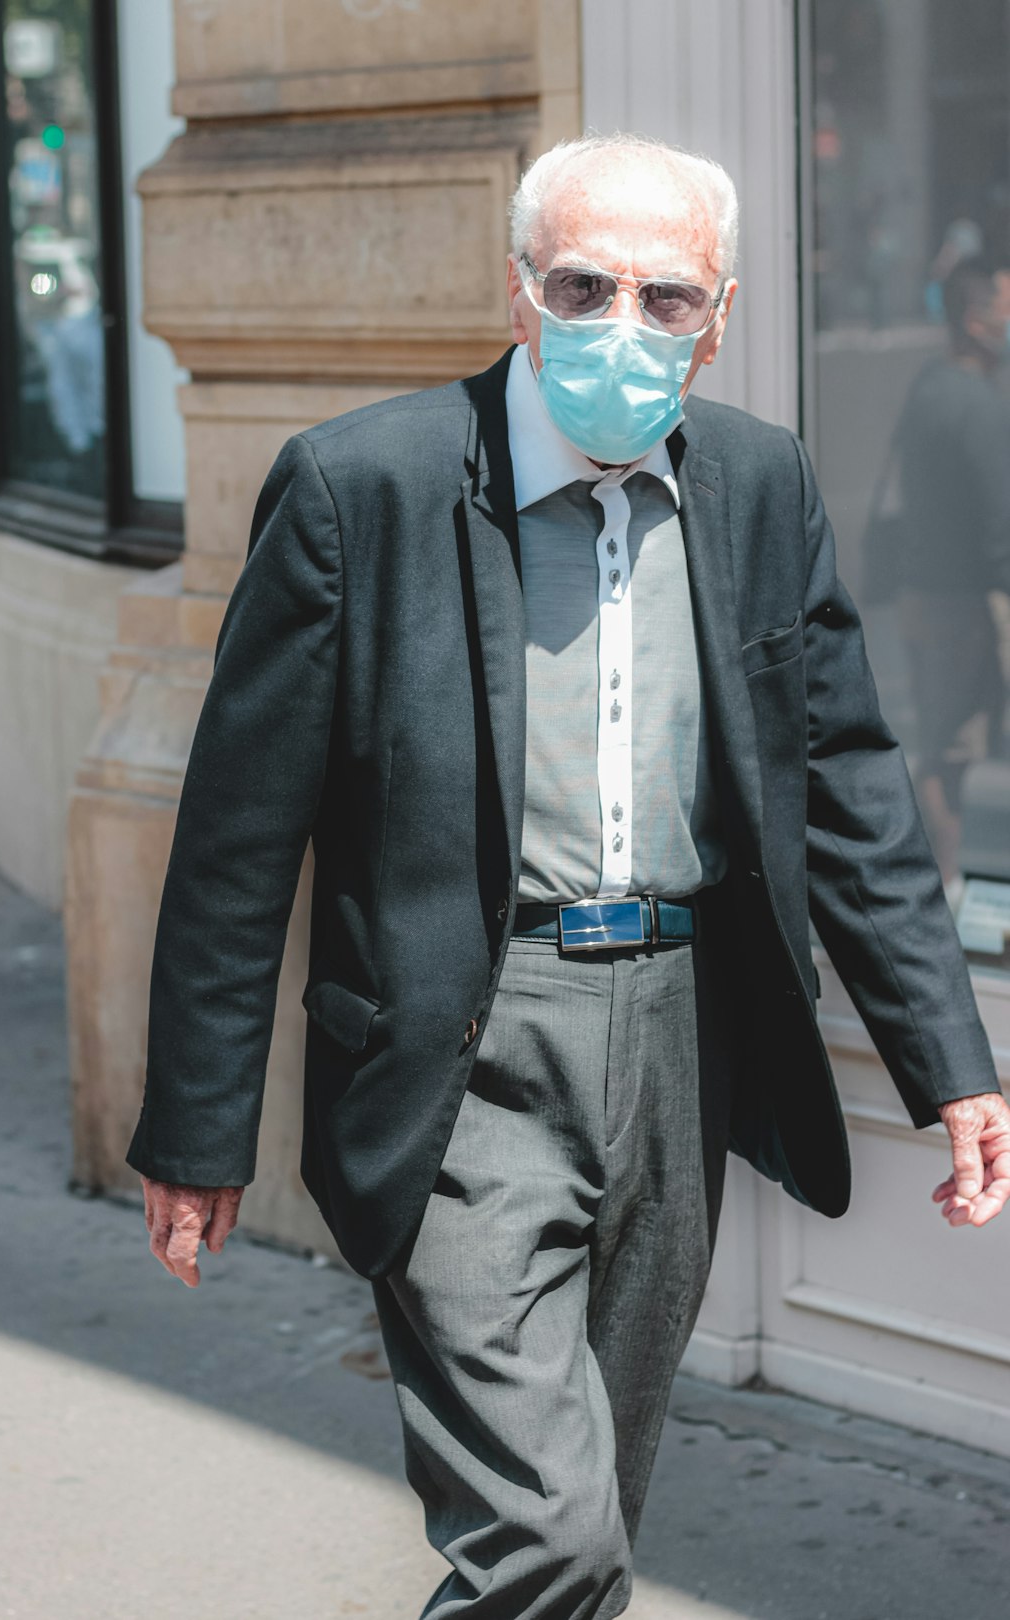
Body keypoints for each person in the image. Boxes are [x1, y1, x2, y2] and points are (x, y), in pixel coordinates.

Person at [127, 135, 1010, 1619]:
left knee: (592, 1508)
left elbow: (846, 783)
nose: (621, 323)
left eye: (665, 298)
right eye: (583, 285)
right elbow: (235, 834)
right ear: (521, 290)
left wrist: (948, 1059)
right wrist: (197, 1124)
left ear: (719, 315)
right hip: (459, 1041)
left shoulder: (757, 482)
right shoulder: (367, 489)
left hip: (680, 1031)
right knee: (549, 1540)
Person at [893, 257, 1010, 890]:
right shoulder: (978, 406)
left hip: (926, 595)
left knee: (943, 746)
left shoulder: (931, 387)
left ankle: (949, 883)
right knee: (954, 748)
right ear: (975, 318)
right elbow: (1000, 526)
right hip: (964, 603)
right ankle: (956, 889)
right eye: (1004, 307)